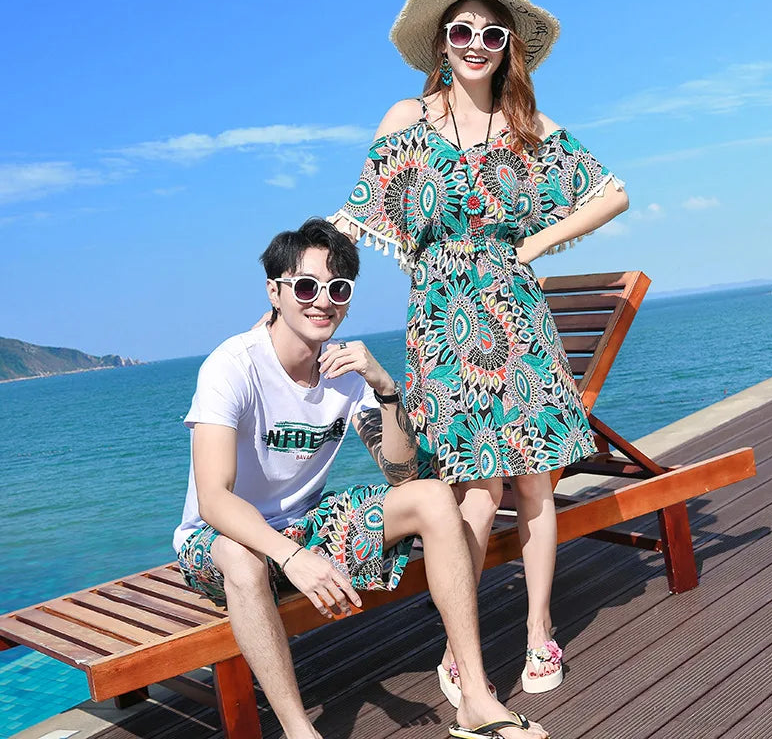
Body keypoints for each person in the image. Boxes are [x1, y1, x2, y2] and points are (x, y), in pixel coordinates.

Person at [329, 0, 629, 700]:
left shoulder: (529, 128)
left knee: (532, 482)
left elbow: (612, 192)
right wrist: (303, 292)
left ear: (507, 49)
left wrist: (531, 247)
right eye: (461, 31)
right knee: (468, 487)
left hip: (520, 322)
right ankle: (463, 649)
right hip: (441, 324)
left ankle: (536, 633)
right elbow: (357, 217)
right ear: (441, 41)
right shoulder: (408, 117)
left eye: (491, 34)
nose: (475, 44)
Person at [174, 218, 549, 739]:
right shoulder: (232, 366)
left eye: (338, 289)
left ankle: (476, 699)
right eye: (306, 286)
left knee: (434, 497)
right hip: (219, 540)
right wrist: (292, 556)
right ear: (275, 291)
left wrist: (385, 386)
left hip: (305, 525)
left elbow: (400, 473)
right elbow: (214, 500)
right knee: (242, 556)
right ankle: (300, 731)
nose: (321, 301)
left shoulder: (344, 367)